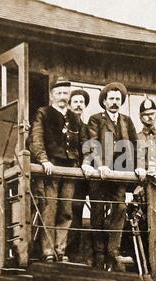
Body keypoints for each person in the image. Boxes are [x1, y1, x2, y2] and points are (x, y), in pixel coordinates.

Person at [81, 82, 146, 271]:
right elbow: (93, 143)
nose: (115, 102)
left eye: (118, 99)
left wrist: (140, 167)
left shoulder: (127, 121)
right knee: (97, 212)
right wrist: (100, 165)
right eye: (111, 99)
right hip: (100, 176)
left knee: (120, 208)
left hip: (119, 175)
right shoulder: (96, 119)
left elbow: (136, 146)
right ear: (104, 101)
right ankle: (99, 253)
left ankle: (113, 251)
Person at [29, 76, 85, 262]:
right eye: (59, 93)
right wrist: (44, 160)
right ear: (52, 96)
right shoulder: (43, 113)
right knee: (49, 208)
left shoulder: (75, 118)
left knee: (66, 210)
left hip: (70, 168)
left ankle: (61, 250)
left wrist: (84, 163)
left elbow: (84, 144)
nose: (63, 96)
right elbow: (36, 139)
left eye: (66, 93)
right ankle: (48, 252)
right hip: (51, 168)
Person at [67, 89, 93, 264]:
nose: (78, 105)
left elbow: (90, 149)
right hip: (65, 176)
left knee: (76, 211)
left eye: (81, 102)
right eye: (75, 101)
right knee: (63, 212)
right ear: (69, 105)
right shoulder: (64, 125)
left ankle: (73, 251)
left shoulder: (86, 128)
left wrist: (86, 162)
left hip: (80, 179)